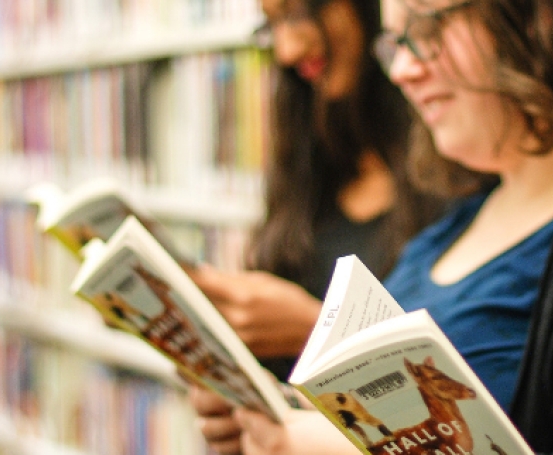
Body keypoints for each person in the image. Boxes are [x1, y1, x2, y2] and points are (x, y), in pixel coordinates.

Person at [204, 0, 553, 452]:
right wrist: (270, 413)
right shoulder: (465, 208)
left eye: (426, 31)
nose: (402, 69)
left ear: (541, 12)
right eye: (394, 43)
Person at [185, 0, 444, 451]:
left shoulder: (456, 177)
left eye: (300, 13)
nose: (287, 49)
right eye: (272, 26)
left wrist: (317, 331)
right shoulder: (308, 172)